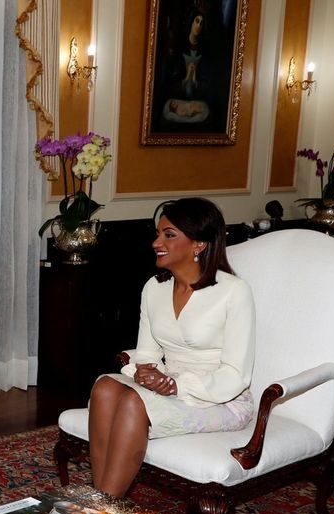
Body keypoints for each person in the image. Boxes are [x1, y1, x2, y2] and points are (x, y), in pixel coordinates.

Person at [87, 197, 256, 497]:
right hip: (169, 387)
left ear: (199, 244)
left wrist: (176, 385)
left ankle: (102, 513)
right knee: (104, 388)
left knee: (131, 403)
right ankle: (104, 501)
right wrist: (145, 373)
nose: (156, 242)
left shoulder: (233, 291)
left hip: (220, 399)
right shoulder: (154, 288)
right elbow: (148, 354)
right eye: (157, 233)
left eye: (169, 234)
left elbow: (235, 375)